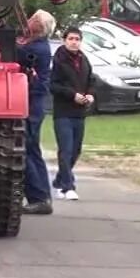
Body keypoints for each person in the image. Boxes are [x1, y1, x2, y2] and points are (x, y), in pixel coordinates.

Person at [18, 9, 57, 215]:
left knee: (26, 149)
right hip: (34, 104)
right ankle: (41, 197)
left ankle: (39, 197)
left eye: (33, 18)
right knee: (32, 150)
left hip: (31, 105)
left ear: (39, 27)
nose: (28, 19)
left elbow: (14, 51)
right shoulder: (35, 46)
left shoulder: (35, 49)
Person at [49, 27, 95, 200]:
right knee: (66, 150)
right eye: (71, 39)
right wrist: (72, 95)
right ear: (64, 40)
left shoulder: (84, 59)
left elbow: (91, 80)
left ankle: (59, 181)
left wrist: (90, 94)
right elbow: (53, 86)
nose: (74, 42)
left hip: (79, 113)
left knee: (76, 151)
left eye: (77, 39)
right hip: (63, 112)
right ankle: (68, 186)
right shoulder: (59, 60)